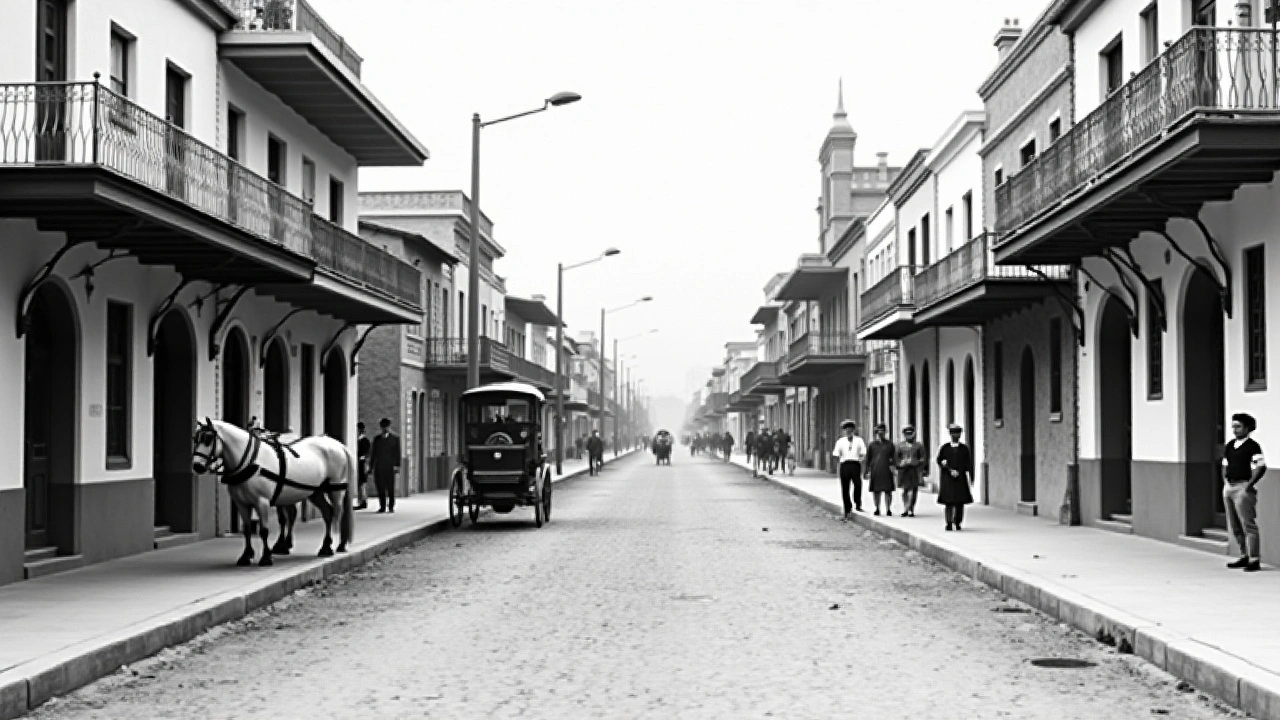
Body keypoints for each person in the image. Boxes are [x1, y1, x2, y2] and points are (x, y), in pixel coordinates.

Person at [1223, 412, 1267, 572]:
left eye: (1238, 426)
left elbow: (1261, 466)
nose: (1235, 430)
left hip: (1243, 487)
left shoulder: (1252, 446)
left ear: (1247, 428)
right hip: (1229, 486)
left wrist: (1249, 485)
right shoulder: (1229, 445)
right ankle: (1244, 555)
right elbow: (1225, 464)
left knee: (1248, 524)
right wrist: (1225, 481)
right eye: (1233, 426)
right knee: (1235, 525)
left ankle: (1254, 559)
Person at [937, 424, 974, 531]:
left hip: (960, 478)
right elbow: (939, 460)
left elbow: (968, 463)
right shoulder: (945, 448)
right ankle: (948, 522)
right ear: (950, 434)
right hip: (947, 479)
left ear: (960, 435)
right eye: (953, 433)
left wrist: (961, 472)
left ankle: (957, 522)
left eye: (957, 433)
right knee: (948, 502)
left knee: (959, 502)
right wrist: (944, 465)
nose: (955, 435)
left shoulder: (964, 449)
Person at [832, 420, 867, 518]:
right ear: (844, 430)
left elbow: (863, 452)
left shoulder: (859, 440)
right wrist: (839, 462)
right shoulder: (840, 441)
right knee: (845, 487)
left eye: (850, 428)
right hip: (845, 464)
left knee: (858, 484)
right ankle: (847, 507)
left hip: (855, 464)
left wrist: (861, 459)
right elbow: (835, 454)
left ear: (853, 430)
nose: (848, 430)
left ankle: (858, 503)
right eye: (846, 429)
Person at [370, 418, 401, 514]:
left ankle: (391, 506)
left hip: (390, 467)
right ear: (381, 428)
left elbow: (397, 453)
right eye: (383, 427)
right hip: (379, 467)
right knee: (380, 487)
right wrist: (371, 467)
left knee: (390, 487)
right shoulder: (377, 439)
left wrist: (397, 466)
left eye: (387, 427)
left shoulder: (395, 439)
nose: (385, 429)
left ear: (389, 427)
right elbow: (373, 454)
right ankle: (382, 506)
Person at [895, 426, 927, 517]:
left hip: (914, 470)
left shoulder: (918, 445)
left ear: (914, 434)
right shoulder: (900, 445)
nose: (909, 436)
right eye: (907, 434)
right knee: (905, 490)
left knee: (913, 490)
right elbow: (896, 458)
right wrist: (900, 463)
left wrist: (915, 462)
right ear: (904, 435)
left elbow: (923, 458)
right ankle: (905, 507)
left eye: (910, 434)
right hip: (903, 470)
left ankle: (911, 508)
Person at [865, 423, 896, 516]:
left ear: (885, 432)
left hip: (887, 469)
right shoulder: (872, 445)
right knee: (876, 491)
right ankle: (877, 508)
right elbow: (868, 458)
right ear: (876, 433)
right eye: (879, 431)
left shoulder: (890, 444)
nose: (881, 433)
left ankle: (888, 509)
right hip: (875, 470)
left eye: (882, 431)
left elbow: (893, 457)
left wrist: (893, 467)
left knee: (888, 491)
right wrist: (867, 470)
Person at [355, 421, 371, 510]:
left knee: (362, 483)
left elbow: (367, 453)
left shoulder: (364, 440)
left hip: (362, 463)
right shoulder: (359, 440)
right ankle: (361, 500)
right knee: (360, 483)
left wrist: (362, 458)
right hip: (360, 463)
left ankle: (363, 501)